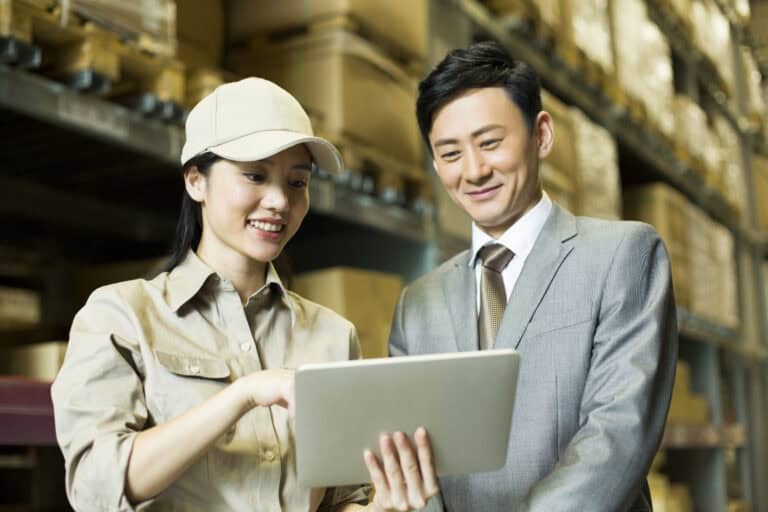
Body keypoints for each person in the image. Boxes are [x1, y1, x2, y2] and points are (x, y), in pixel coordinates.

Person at [52, 77, 437, 512]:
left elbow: (339, 501)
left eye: (297, 182)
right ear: (196, 181)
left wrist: (384, 507)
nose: (279, 201)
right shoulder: (121, 316)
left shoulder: (332, 335)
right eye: (255, 175)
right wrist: (243, 395)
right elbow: (94, 487)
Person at [389, 41, 678, 511]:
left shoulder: (622, 256)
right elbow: (413, 465)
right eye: (450, 153)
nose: (475, 170)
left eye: (490, 143)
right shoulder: (417, 304)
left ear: (541, 135)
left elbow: (618, 435)